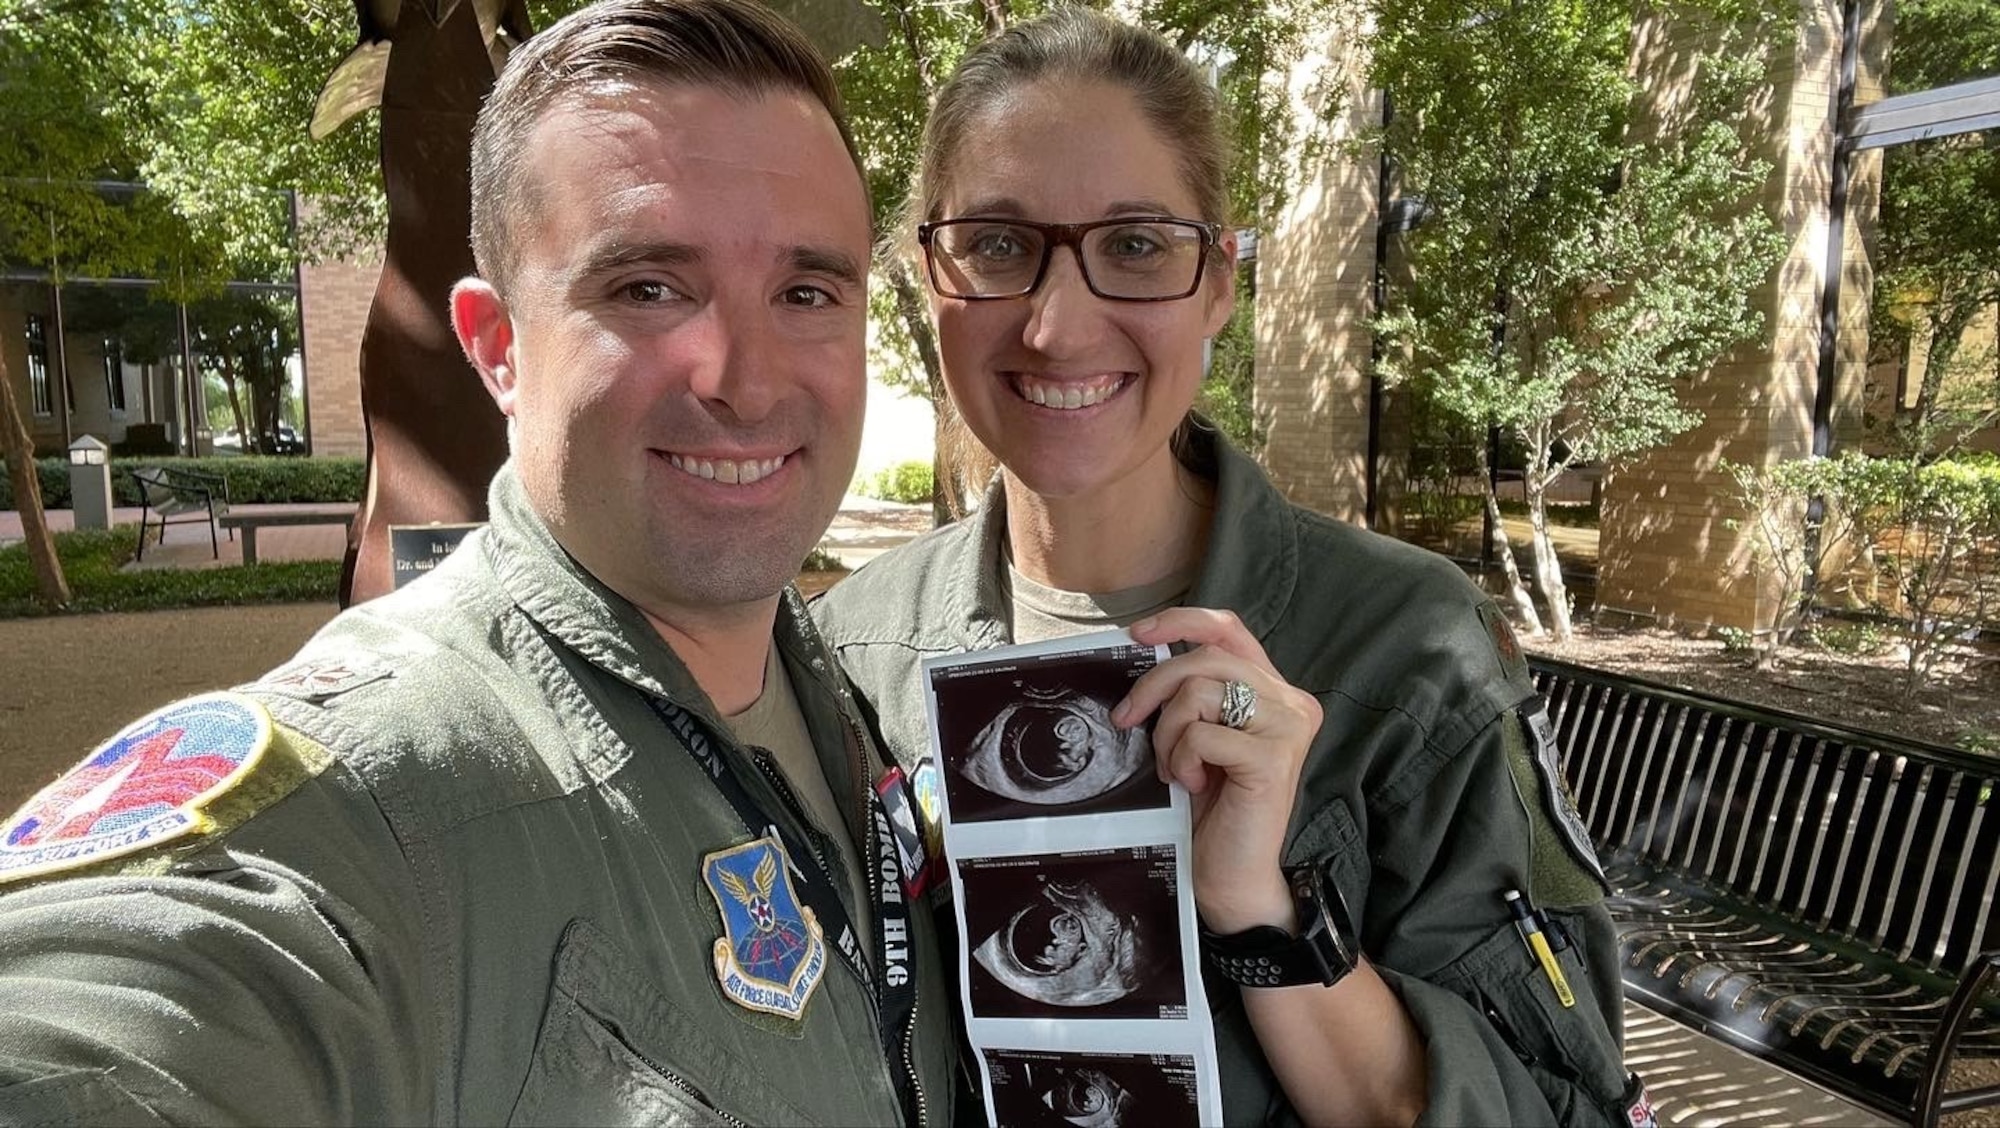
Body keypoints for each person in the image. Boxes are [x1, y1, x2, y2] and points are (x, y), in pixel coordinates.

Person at [0, 2, 956, 1123]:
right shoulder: (373, 793)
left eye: (805, 292)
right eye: (647, 288)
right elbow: (113, 1009)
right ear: (498, 347)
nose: (742, 380)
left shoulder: (845, 700)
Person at [813, 9, 1648, 1126]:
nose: (1058, 327)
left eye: (1136, 245)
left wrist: (1262, 910)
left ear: (1217, 283)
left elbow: (1558, 1106)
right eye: (999, 246)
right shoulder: (851, 654)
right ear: (931, 275)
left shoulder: (1408, 651)